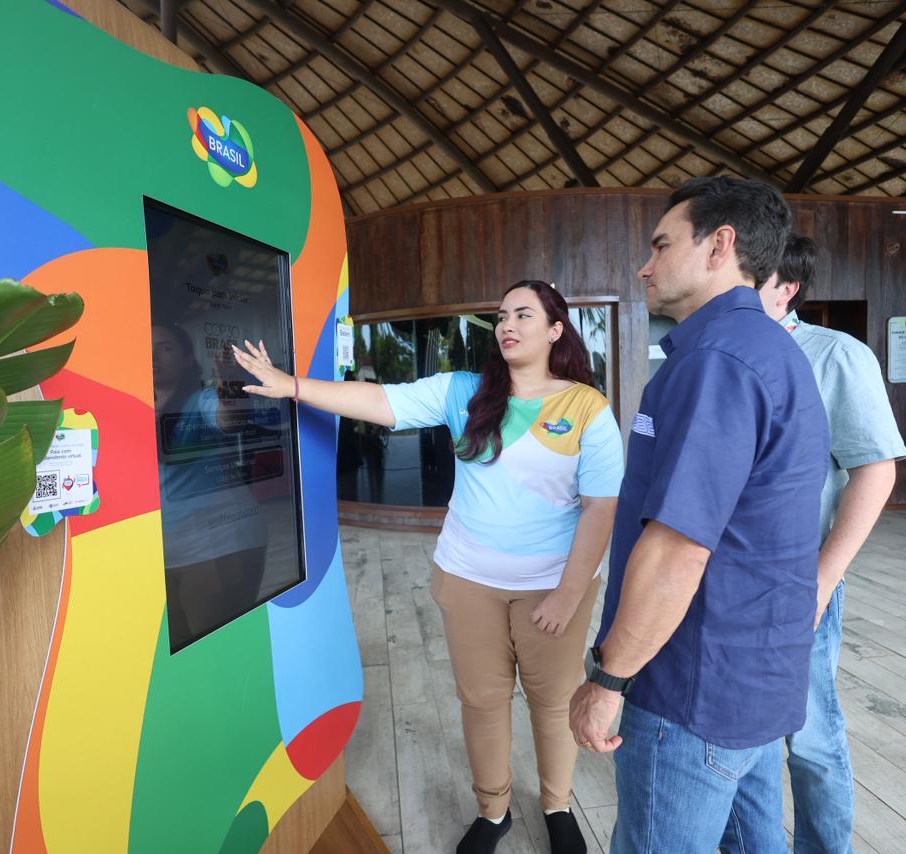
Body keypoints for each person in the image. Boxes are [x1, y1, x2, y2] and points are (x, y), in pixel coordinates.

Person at [234, 281, 623, 854]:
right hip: (467, 581)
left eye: (524, 314)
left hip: (552, 588)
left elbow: (600, 508)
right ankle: (493, 813)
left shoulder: (586, 407)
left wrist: (567, 595)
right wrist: (292, 386)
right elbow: (380, 402)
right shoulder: (465, 391)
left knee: (552, 701)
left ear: (556, 330)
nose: (508, 324)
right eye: (501, 316)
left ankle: (558, 804)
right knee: (482, 701)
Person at [568, 176, 829, 853]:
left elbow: (680, 547)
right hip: (757, 685)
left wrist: (608, 678)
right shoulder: (776, 352)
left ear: (721, 244)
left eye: (660, 245)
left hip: (689, 688)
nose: (644, 265)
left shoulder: (716, 362)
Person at [728, 234, 906, 854]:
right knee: (736, 731)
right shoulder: (721, 352)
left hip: (798, 579)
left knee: (810, 737)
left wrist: (821, 582)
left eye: (750, 282)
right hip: (723, 579)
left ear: (787, 289)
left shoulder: (835, 356)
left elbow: (876, 470)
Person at [153, 323, 269, 652]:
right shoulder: (137, 406)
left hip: (216, 546)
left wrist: (231, 388)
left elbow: (227, 418)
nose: (152, 356)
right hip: (164, 552)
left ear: (190, 359)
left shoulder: (199, 400)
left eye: (165, 347)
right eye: (146, 347)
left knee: (216, 652)